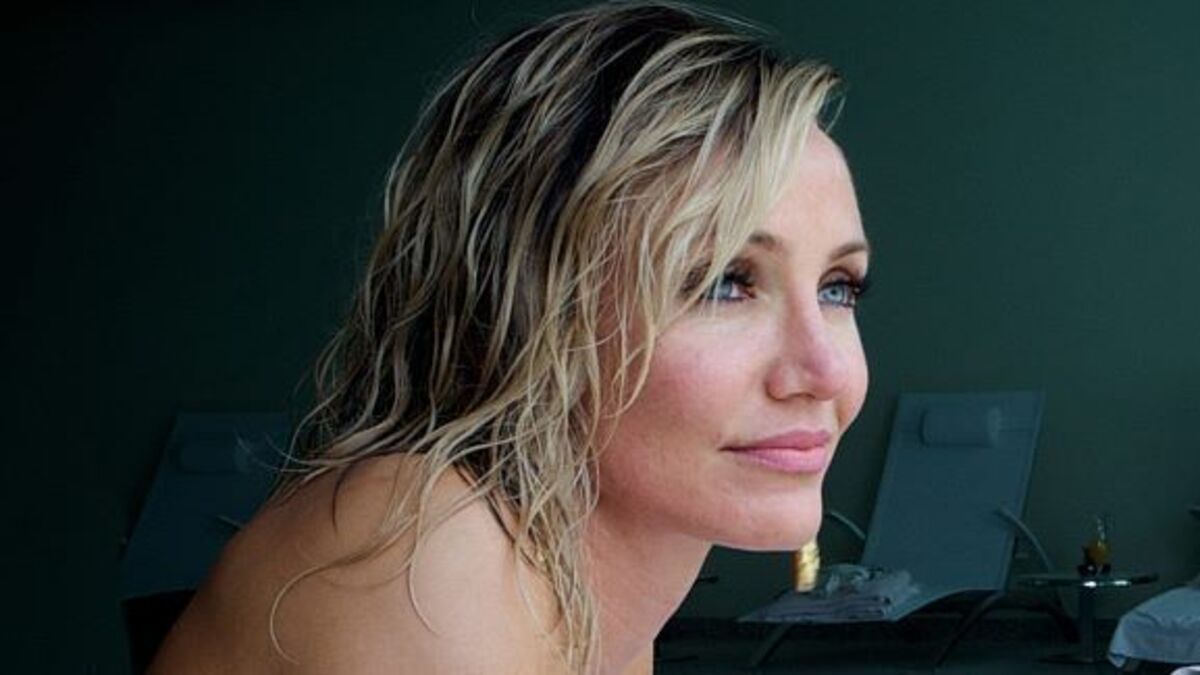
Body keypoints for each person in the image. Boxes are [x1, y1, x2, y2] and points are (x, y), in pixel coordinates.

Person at [149, 2, 870, 673]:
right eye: (723, 281)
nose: (826, 371)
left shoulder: (594, 606)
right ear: (536, 303)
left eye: (838, 288)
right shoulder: (424, 549)